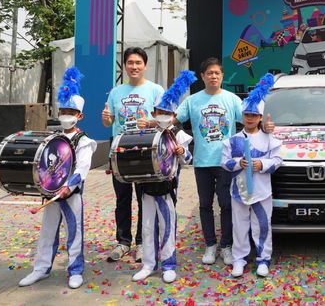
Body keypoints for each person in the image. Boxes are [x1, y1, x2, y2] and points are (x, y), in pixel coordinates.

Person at [19, 67, 97, 289]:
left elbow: (82, 168)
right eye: (63, 111)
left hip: (70, 193)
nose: (66, 115)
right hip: (51, 192)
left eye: (71, 112)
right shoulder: (53, 138)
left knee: (74, 232)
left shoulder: (84, 141)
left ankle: (76, 270)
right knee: (47, 232)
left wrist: (69, 186)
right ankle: (41, 269)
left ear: (80, 116)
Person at [174, 58, 241, 265]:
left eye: (217, 73)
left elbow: (250, 118)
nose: (213, 76)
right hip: (202, 162)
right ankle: (210, 245)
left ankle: (227, 245)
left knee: (226, 205)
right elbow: (173, 119)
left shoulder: (232, 99)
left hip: (225, 162)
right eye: (209, 73)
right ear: (202, 76)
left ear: (222, 76)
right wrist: (154, 119)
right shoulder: (192, 101)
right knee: (205, 205)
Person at [132, 70, 196, 283]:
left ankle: (169, 264)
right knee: (147, 226)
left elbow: (188, 159)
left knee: (167, 225)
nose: (163, 115)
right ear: (153, 113)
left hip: (167, 189)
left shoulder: (179, 134)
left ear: (174, 114)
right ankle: (148, 264)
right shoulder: (146, 133)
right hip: (146, 187)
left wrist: (182, 151)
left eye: (167, 112)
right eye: (159, 111)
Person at [102, 47, 164, 263]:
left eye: (138, 62)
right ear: (125, 65)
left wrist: (151, 122)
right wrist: (106, 119)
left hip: (145, 150)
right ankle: (123, 242)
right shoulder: (116, 92)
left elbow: (165, 119)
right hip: (120, 151)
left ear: (145, 65)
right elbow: (109, 122)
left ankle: (142, 242)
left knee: (144, 197)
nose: (134, 66)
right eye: (130, 62)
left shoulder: (156, 90)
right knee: (122, 198)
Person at [221, 73, 283, 278]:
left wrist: (261, 164)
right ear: (242, 116)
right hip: (239, 192)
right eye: (247, 114)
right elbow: (224, 163)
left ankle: (263, 259)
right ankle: (239, 259)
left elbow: (277, 160)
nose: (250, 118)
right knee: (239, 227)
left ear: (260, 117)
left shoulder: (269, 138)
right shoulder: (232, 140)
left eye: (254, 115)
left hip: (262, 192)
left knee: (262, 226)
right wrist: (239, 163)